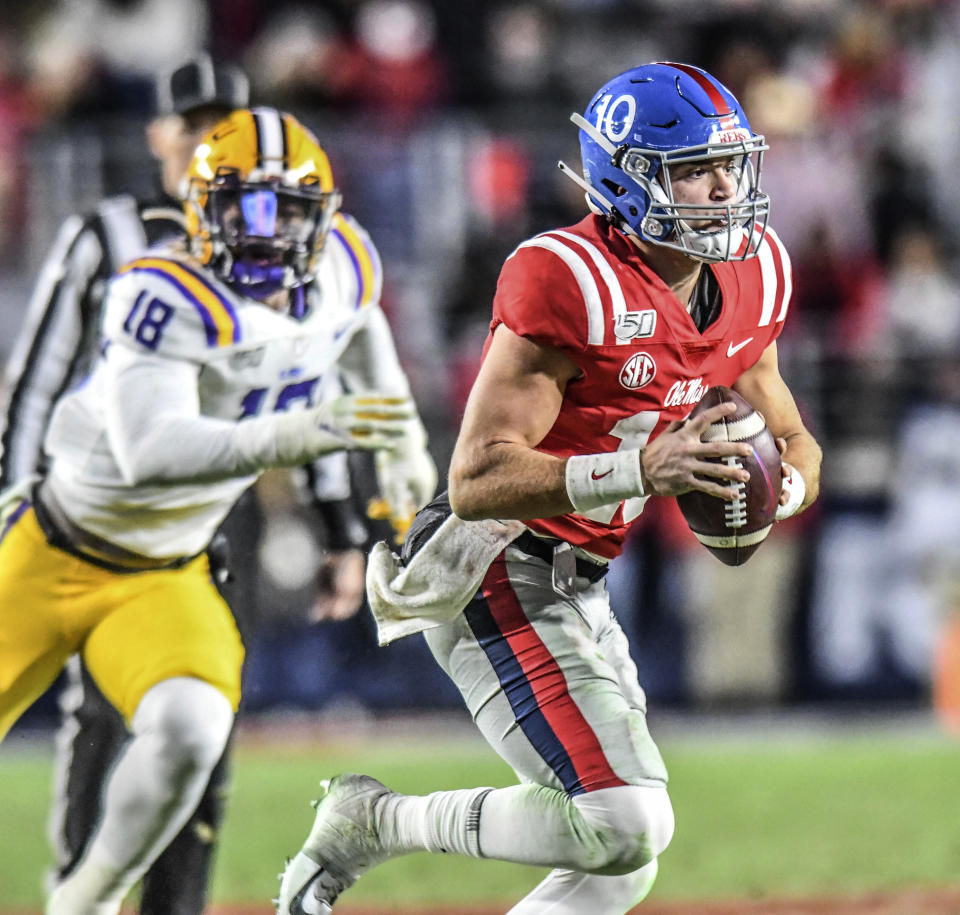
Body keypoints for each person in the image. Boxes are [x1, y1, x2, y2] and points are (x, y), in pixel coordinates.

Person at [277, 61, 822, 915]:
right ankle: (376, 821)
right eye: (693, 170)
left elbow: (791, 435)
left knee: (622, 858)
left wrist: (775, 490)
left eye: (731, 164)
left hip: (580, 576)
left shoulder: (756, 271)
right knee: (625, 819)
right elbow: (475, 478)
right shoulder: (568, 276)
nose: (725, 188)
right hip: (494, 562)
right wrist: (642, 468)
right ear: (628, 182)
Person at [0, 104, 436, 915]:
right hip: (51, 547)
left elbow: (361, 326)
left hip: (165, 572)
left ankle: (86, 898)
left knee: (196, 725)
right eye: (246, 208)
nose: (268, 234)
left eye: (290, 211)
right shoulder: (161, 290)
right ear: (201, 210)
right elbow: (151, 452)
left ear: (324, 218)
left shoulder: (341, 267)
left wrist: (401, 433)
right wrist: (299, 433)